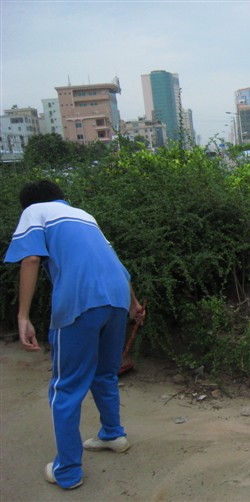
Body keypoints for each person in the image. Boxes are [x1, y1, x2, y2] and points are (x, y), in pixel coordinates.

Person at [3, 180, 144, 490]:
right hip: (117, 298)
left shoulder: (35, 211)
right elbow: (117, 264)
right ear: (61, 198)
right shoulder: (85, 216)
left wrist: (23, 316)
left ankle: (67, 471)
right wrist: (134, 304)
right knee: (104, 373)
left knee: (65, 387)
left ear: (28, 204)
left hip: (81, 300)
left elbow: (31, 259)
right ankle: (113, 434)